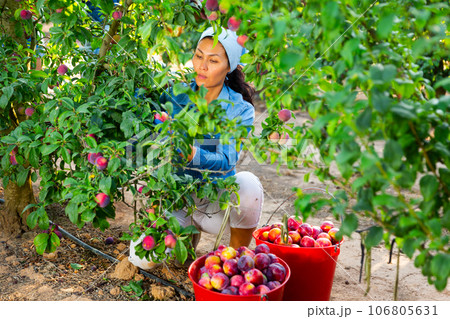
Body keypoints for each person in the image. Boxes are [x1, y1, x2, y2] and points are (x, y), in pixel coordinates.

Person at [160, 27, 264, 251]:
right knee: (148, 258)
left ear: (229, 67)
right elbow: (154, 129)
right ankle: (187, 237)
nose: (202, 66)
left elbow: (226, 159)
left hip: (215, 204)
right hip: (178, 197)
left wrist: (192, 154)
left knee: (248, 186)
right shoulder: (174, 96)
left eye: (213, 61)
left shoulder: (239, 109)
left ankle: (236, 258)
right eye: (198, 56)